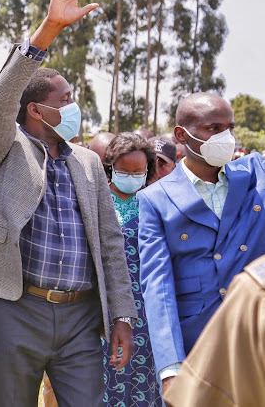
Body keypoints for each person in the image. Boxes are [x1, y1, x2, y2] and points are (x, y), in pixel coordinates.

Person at [0, 0, 137, 407]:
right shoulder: (5, 147)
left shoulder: (89, 163)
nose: (74, 108)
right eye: (66, 101)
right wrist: (48, 30)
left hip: (80, 314)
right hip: (17, 308)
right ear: (36, 110)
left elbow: (110, 244)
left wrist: (122, 315)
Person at [137, 92, 265, 394]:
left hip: (255, 330)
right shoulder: (155, 199)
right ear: (181, 134)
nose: (227, 137)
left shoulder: (256, 173)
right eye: (214, 128)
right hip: (198, 342)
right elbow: (158, 284)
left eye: (230, 128)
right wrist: (170, 366)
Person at [102, 133, 161, 406]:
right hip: (105, 308)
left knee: (144, 379)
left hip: (146, 311)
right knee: (105, 376)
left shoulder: (155, 204)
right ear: (111, 167)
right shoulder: (96, 201)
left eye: (138, 171)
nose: (131, 176)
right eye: (124, 171)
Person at [163, 254, 265, 407]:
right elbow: (158, 283)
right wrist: (170, 367)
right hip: (194, 330)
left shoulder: (253, 290)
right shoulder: (253, 289)